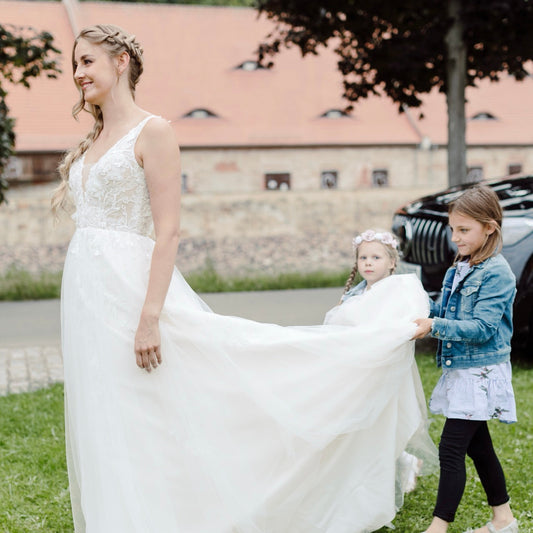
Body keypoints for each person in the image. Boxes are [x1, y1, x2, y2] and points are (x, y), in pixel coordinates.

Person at [52, 24, 436, 533]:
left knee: (207, 385)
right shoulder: (94, 138)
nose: (77, 73)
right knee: (112, 410)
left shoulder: (154, 133)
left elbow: (167, 233)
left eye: (87, 62)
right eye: (73, 64)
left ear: (120, 61)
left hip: (134, 291)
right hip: (87, 294)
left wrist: (149, 317)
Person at [412, 185, 518, 533]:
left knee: (451, 449)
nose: (455, 238)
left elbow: (482, 327)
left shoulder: (497, 273)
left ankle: (438, 528)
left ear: (489, 227)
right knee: (479, 449)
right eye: (453, 229)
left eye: (464, 230)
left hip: (481, 372)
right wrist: (413, 306)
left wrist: (435, 325)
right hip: (462, 371)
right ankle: (503, 520)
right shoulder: (459, 267)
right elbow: (444, 310)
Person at [324, 229, 429, 495]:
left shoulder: (399, 290)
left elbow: (400, 326)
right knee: (361, 423)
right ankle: (395, 464)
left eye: (376, 257)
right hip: (355, 370)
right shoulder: (354, 297)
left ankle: (400, 463)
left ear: (392, 262)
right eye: (363, 258)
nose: (368, 263)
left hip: (383, 369)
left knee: (381, 419)